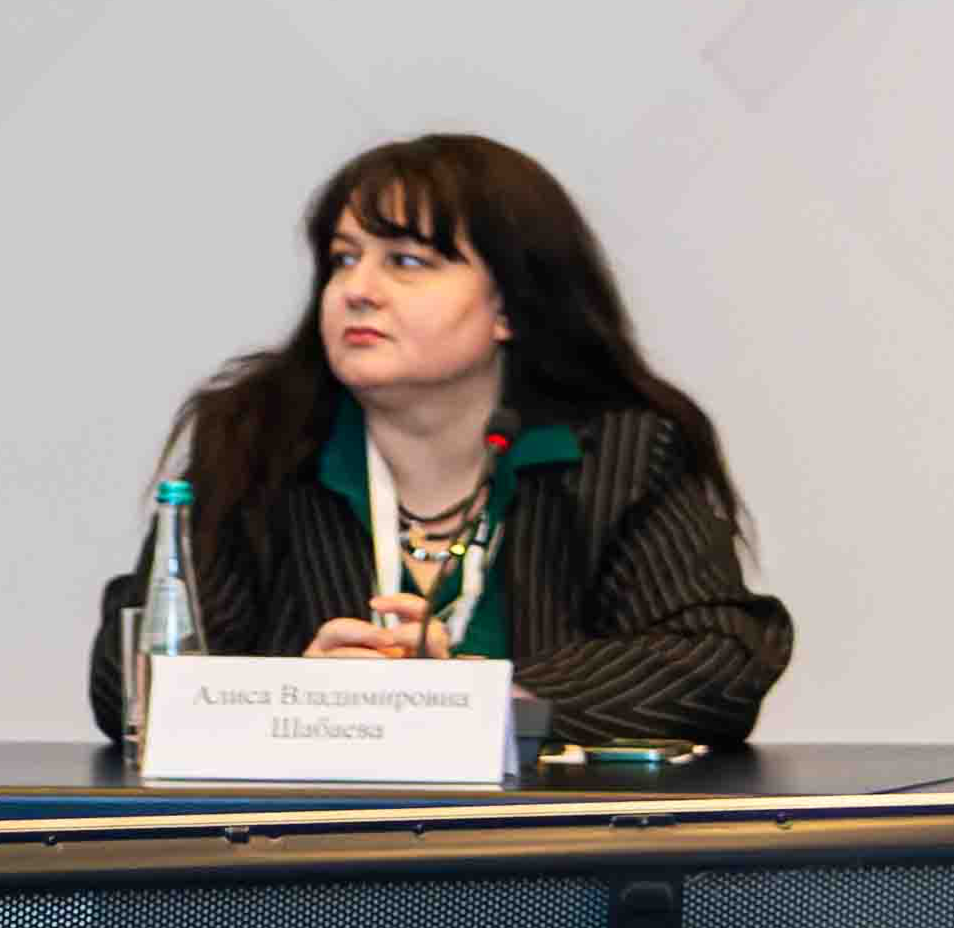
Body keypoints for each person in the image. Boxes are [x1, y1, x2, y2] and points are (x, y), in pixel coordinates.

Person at [87, 133, 789, 745]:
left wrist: (472, 697)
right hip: (307, 844)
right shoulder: (257, 443)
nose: (358, 289)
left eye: (407, 262)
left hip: (542, 845)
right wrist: (301, 700)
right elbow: (132, 681)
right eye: (343, 259)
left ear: (509, 308)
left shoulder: (621, 454)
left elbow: (717, 660)